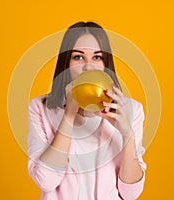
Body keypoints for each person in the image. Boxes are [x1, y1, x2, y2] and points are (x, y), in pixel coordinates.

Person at [27, 21, 147, 200]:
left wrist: (127, 134)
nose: (88, 66)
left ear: (106, 64)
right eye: (78, 57)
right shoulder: (41, 108)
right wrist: (69, 115)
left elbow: (130, 194)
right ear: (66, 63)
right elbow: (46, 182)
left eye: (97, 57)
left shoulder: (131, 110)